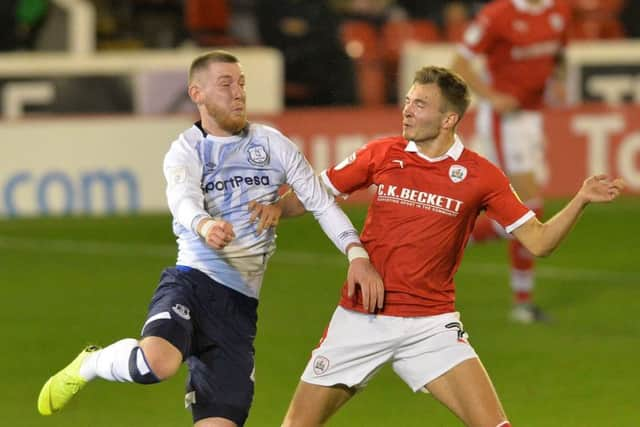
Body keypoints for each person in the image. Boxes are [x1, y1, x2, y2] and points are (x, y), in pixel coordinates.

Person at [36, 50, 383, 427]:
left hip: (239, 309)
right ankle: (93, 363)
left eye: (241, 83)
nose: (238, 93)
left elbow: (320, 201)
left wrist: (356, 254)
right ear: (197, 93)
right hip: (192, 283)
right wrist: (204, 225)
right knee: (158, 362)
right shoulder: (186, 149)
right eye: (226, 84)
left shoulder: (273, 144)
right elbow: (181, 199)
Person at [273, 66, 623, 427]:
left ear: (448, 119)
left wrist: (580, 198)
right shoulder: (381, 153)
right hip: (363, 318)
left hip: (431, 325)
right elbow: (313, 194)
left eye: (420, 104)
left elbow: (539, 241)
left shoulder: (481, 175)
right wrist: (271, 210)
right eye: (408, 101)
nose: (407, 110)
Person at [450, 0, 572, 323]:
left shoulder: (559, 9)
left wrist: (558, 79)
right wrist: (493, 97)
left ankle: (453, 234)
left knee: (528, 211)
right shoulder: (497, 15)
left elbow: (558, 51)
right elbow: (459, 62)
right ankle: (521, 302)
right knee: (530, 208)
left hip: (532, 116)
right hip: (506, 121)